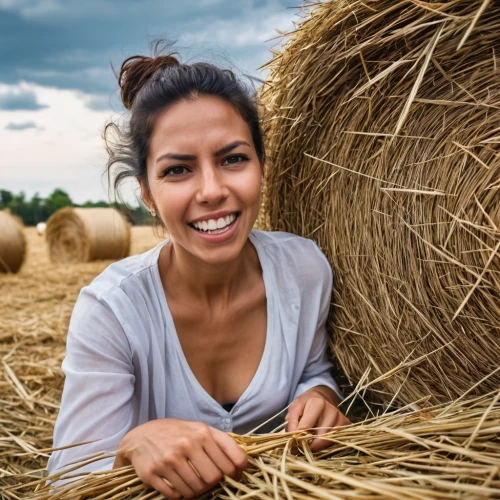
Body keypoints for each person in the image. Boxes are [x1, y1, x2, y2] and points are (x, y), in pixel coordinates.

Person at [47, 44, 350, 499]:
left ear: (262, 169)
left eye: (233, 159)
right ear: (147, 194)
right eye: (178, 170)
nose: (212, 191)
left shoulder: (305, 269)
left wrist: (321, 396)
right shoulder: (111, 310)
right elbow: (68, 483)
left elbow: (313, 368)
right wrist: (129, 446)